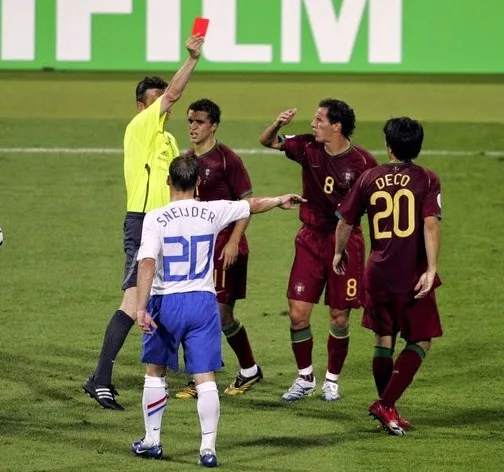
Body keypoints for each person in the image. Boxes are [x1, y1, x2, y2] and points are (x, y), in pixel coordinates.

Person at [130, 155, 305, 465]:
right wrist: (281, 199)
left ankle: (152, 440)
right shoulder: (211, 210)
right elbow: (251, 205)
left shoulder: (155, 218)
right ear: (198, 183)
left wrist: (141, 308)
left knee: (155, 371)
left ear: (168, 181)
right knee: (205, 377)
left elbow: (146, 264)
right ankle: (207, 450)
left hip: (166, 301)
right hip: (203, 302)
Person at [82, 35, 204, 410]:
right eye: (155, 101)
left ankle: (156, 376)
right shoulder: (138, 129)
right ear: (140, 107)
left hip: (167, 223)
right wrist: (192, 60)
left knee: (160, 300)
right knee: (133, 300)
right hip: (142, 222)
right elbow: (174, 96)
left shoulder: (166, 139)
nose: (162, 105)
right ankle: (100, 377)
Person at [259, 100, 377, 401]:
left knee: (339, 316)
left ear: (336, 126)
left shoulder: (364, 163)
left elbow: (376, 209)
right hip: (310, 239)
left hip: (346, 242)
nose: (313, 124)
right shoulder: (307, 146)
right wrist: (278, 123)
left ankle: (332, 381)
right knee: (298, 314)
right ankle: (305, 377)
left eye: (319, 119)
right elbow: (267, 140)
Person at [333, 117, 443, 435]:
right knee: (421, 340)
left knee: (385, 338)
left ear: (388, 146)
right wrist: (432, 269)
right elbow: (431, 224)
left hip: (377, 272)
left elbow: (344, 221)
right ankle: (386, 403)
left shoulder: (369, 177)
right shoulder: (427, 179)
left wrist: (339, 253)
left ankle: (388, 410)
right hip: (410, 275)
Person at [175, 98, 261, 400]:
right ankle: (201, 378)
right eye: (190, 121)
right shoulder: (187, 159)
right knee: (196, 312)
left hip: (225, 246)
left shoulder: (227, 159)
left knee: (220, 314)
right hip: (197, 248)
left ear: (213, 125)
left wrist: (236, 240)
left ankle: (248, 369)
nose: (193, 127)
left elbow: (247, 204)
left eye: (199, 122)